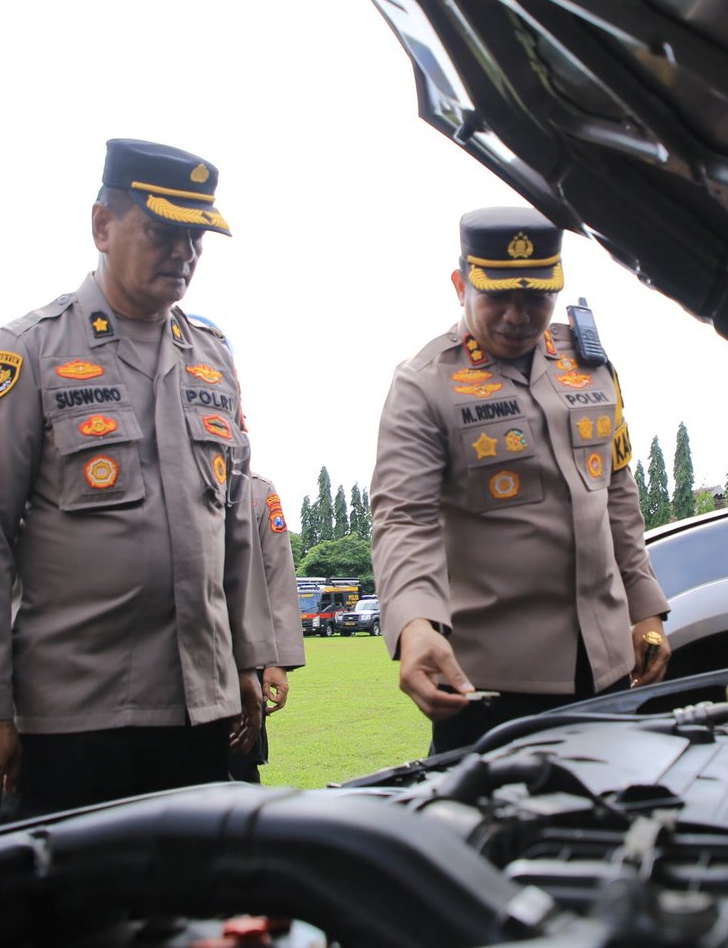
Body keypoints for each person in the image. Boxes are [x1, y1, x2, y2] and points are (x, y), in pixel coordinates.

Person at [0, 140, 273, 825]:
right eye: (162, 231)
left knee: (195, 911)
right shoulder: (28, 350)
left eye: (196, 237)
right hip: (74, 715)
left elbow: (235, 521)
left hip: (197, 707)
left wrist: (246, 657)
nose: (184, 252)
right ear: (102, 226)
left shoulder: (212, 358)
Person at [370, 206, 671, 755]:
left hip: (606, 670)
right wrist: (415, 624)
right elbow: (403, 519)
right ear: (461, 284)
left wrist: (646, 609)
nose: (518, 315)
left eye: (536, 296)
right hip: (490, 685)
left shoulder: (591, 365)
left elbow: (618, 494)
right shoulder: (423, 383)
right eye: (497, 296)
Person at [228, 472, 306, 784]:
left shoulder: (256, 491)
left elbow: (278, 577)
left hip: (243, 654)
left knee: (239, 761)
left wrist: (277, 661)